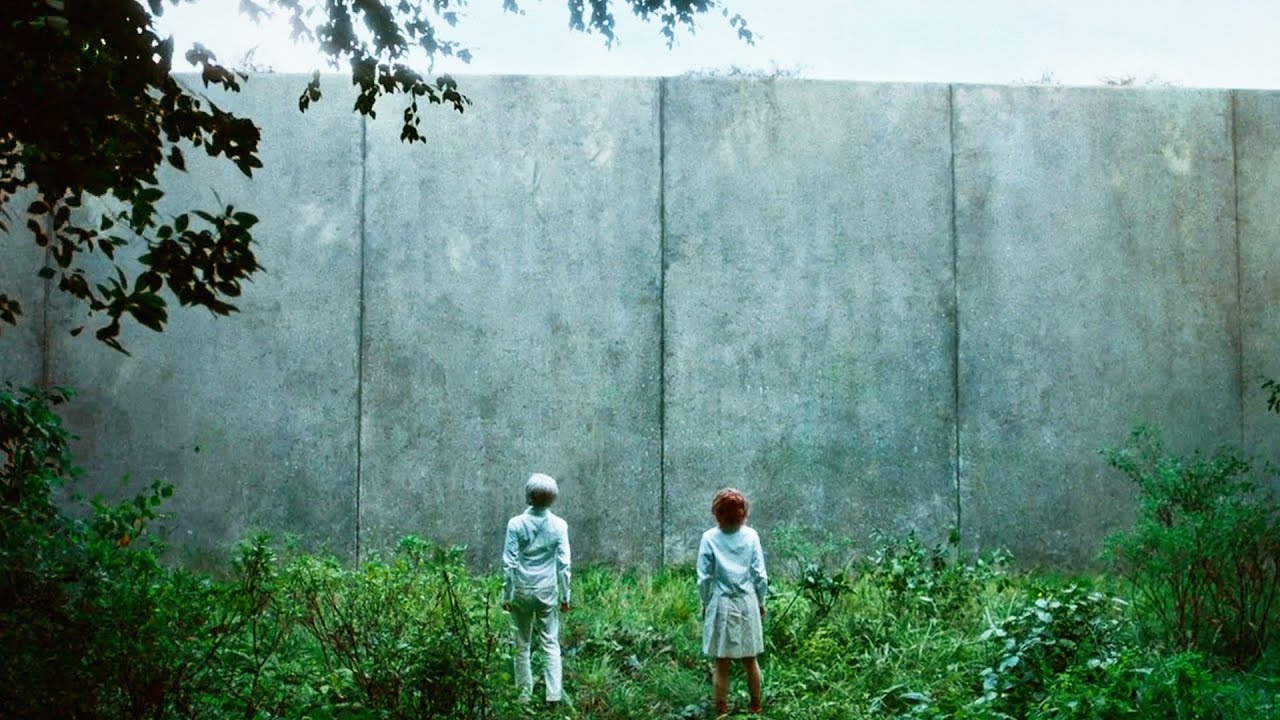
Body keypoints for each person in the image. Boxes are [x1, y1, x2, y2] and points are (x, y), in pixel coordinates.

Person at [502, 472, 572, 704]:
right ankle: (553, 695)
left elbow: (509, 563)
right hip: (547, 591)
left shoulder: (516, 524)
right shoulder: (559, 525)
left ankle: (524, 696)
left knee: (521, 643)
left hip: (521, 590)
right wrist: (566, 595)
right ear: (552, 499)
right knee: (550, 642)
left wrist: (507, 594)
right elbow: (564, 564)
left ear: (528, 496)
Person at [697, 487, 768, 716]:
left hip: (720, 603)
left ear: (717, 512)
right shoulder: (752, 536)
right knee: (750, 660)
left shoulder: (709, 538)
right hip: (748, 602)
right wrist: (761, 601)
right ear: (743, 511)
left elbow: (704, 578)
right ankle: (756, 707)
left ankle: (722, 711)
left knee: (722, 663)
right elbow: (760, 575)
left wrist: (706, 601)